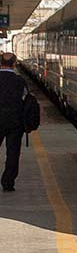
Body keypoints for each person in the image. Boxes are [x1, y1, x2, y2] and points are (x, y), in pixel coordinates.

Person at [0, 52, 32, 192]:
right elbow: (26, 99)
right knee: (13, 153)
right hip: (15, 122)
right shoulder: (20, 81)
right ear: (14, 64)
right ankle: (8, 182)